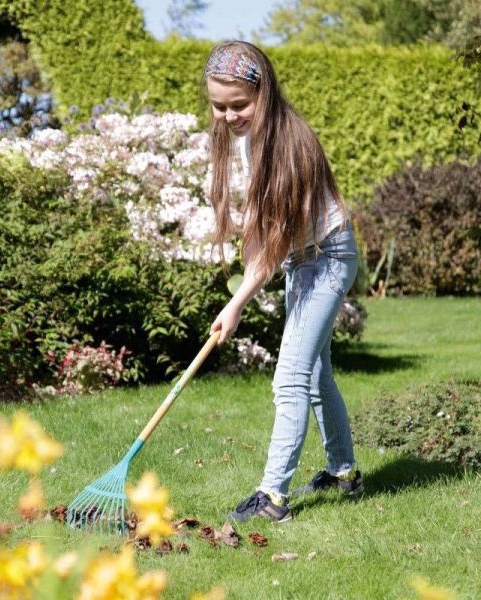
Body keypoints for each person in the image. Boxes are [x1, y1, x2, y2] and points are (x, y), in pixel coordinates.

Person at [204, 41, 363, 524]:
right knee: (316, 375)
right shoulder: (253, 138)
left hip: (329, 258)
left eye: (239, 104)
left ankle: (272, 496)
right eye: (219, 105)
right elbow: (262, 230)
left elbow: (270, 250)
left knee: (290, 377)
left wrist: (235, 305)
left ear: (264, 91)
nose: (229, 116)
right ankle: (343, 472)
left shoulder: (290, 143)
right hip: (304, 260)